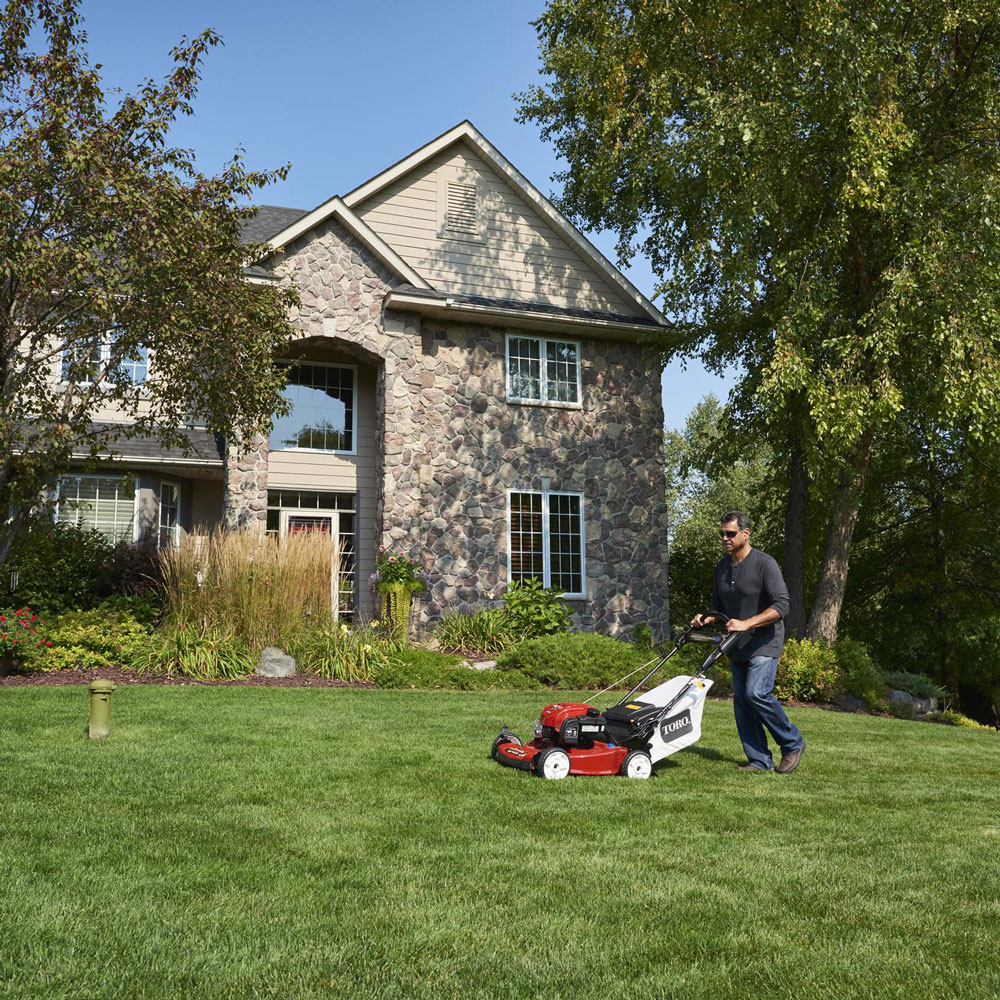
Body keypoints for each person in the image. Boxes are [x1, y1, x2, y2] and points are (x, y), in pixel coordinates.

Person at [690, 511, 805, 773]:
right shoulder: (722, 567)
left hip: (764, 640)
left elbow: (782, 606)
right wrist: (705, 618)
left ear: (746, 533)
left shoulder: (765, 564)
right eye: (722, 534)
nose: (725, 538)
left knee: (756, 693)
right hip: (737, 644)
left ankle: (792, 743)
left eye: (730, 533)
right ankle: (760, 760)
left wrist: (747, 622)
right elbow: (718, 607)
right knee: (742, 700)